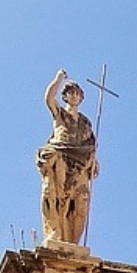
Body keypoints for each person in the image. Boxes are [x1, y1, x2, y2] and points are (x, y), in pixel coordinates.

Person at [36, 69, 99, 248]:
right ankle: (55, 232)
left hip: (80, 161)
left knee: (80, 202)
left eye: (77, 93)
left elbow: (90, 143)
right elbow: (48, 97)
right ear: (65, 96)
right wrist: (58, 79)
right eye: (71, 92)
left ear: (81, 98)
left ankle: (72, 240)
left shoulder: (85, 122)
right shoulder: (60, 114)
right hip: (61, 154)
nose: (74, 96)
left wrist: (94, 160)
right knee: (56, 196)